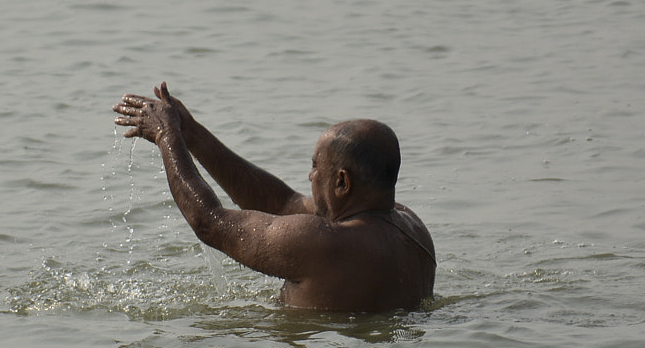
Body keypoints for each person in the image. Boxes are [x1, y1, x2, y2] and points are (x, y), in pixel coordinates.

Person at [112, 83, 435, 312]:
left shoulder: (327, 243)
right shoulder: (413, 230)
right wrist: (192, 134)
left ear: (342, 182)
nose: (309, 177)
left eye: (314, 167)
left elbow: (209, 223)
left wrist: (166, 136)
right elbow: (282, 204)